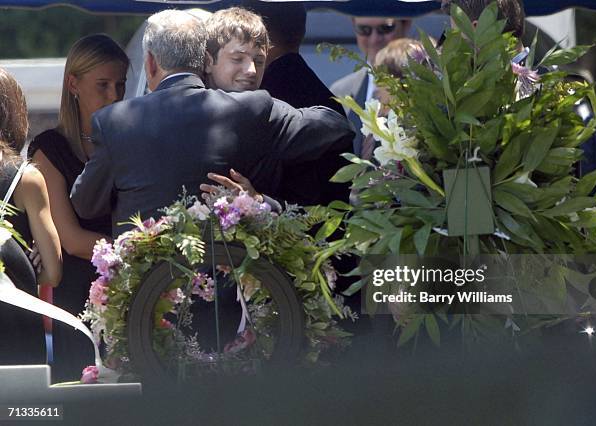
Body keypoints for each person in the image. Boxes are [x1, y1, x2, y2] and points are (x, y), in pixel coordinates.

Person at [70, 9, 354, 238]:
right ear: (204, 60)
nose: (251, 70)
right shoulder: (252, 108)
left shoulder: (114, 121)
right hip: (233, 294)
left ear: (151, 63)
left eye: (257, 60)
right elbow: (335, 125)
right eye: (238, 59)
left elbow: (86, 204)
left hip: (149, 296)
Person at [29, 34, 128, 380]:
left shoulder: (129, 139)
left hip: (128, 293)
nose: (115, 95)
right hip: (76, 298)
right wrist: (142, 249)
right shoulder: (49, 148)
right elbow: (69, 238)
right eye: (103, 85)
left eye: (121, 84)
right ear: (73, 83)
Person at [243, 2, 351, 206]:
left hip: (285, 228)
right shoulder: (321, 93)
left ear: (257, 34)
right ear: (302, 32)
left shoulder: (262, 101)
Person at [0, 68, 62, 365]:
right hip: (16, 331)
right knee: (21, 411)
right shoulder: (26, 180)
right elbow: (53, 271)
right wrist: (22, 261)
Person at [331, 17, 411, 156]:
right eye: (364, 30)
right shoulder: (340, 92)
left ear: (406, 24)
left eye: (385, 28)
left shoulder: (425, 89)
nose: (374, 39)